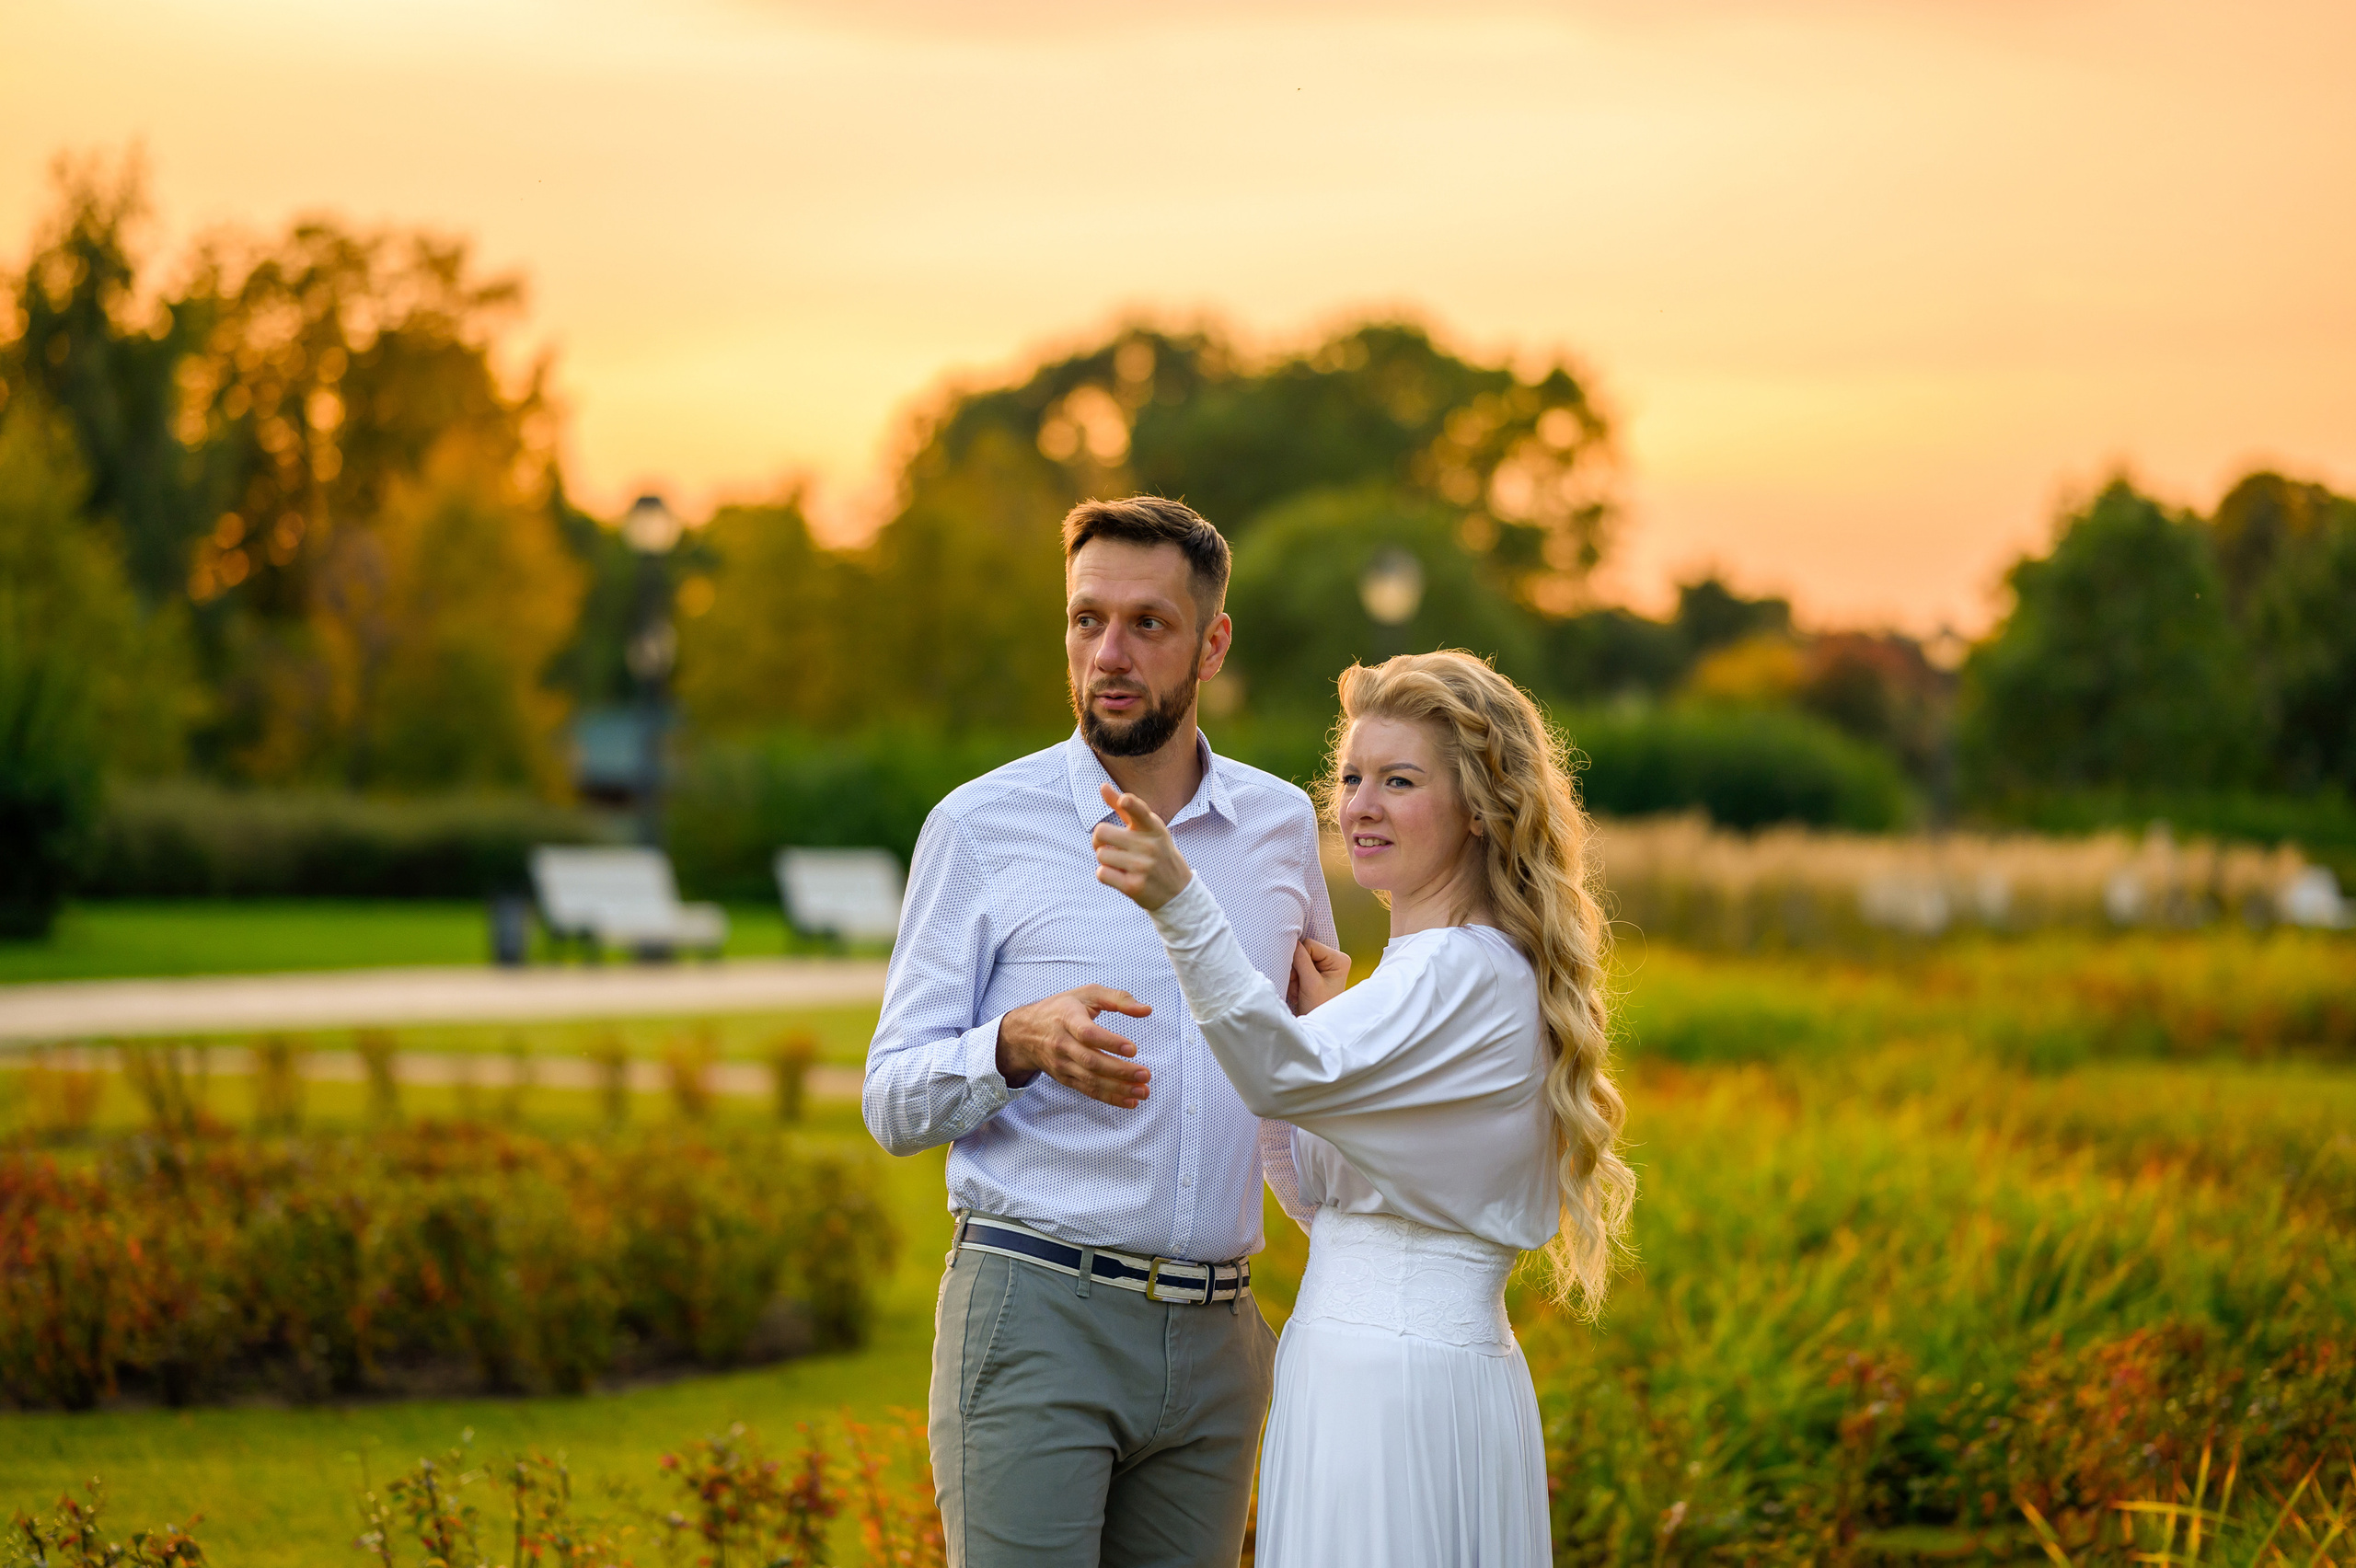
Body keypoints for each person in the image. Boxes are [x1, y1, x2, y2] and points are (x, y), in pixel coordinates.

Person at [862, 495, 1337, 1568]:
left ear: (1212, 642)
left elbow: (1287, 1095)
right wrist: (1013, 1044)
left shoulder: (1276, 828)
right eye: (1086, 621)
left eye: (1147, 625)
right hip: (1038, 1320)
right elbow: (890, 1097)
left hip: (1221, 1342)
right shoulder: (980, 826)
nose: (1109, 654)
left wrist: (1332, 1045)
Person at [1092, 649, 1637, 1567]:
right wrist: (1321, 1030)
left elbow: (1276, 1076)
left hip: (1399, 1385)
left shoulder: (1463, 969)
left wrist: (1181, 902)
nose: (1360, 806)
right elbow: (1318, 1198)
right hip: (1352, 1369)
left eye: (1399, 780)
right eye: (1350, 777)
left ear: (1478, 807)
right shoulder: (1437, 974)